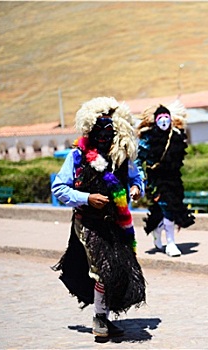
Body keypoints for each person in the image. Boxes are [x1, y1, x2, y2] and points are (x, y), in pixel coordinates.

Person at [51, 96, 146, 338]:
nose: (104, 135)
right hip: (88, 223)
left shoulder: (122, 157)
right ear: (90, 129)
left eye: (109, 130)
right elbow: (59, 188)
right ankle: (99, 320)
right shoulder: (77, 156)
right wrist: (87, 198)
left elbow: (136, 178)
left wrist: (136, 189)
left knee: (119, 270)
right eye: (99, 129)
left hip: (116, 223)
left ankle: (104, 315)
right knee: (103, 270)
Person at [135, 100, 195, 257]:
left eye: (166, 117)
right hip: (157, 180)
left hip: (174, 179)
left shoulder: (176, 136)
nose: (163, 120)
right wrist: (140, 177)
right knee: (167, 208)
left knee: (169, 209)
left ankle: (157, 230)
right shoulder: (147, 139)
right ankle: (171, 243)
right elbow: (138, 160)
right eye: (160, 117)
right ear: (155, 120)